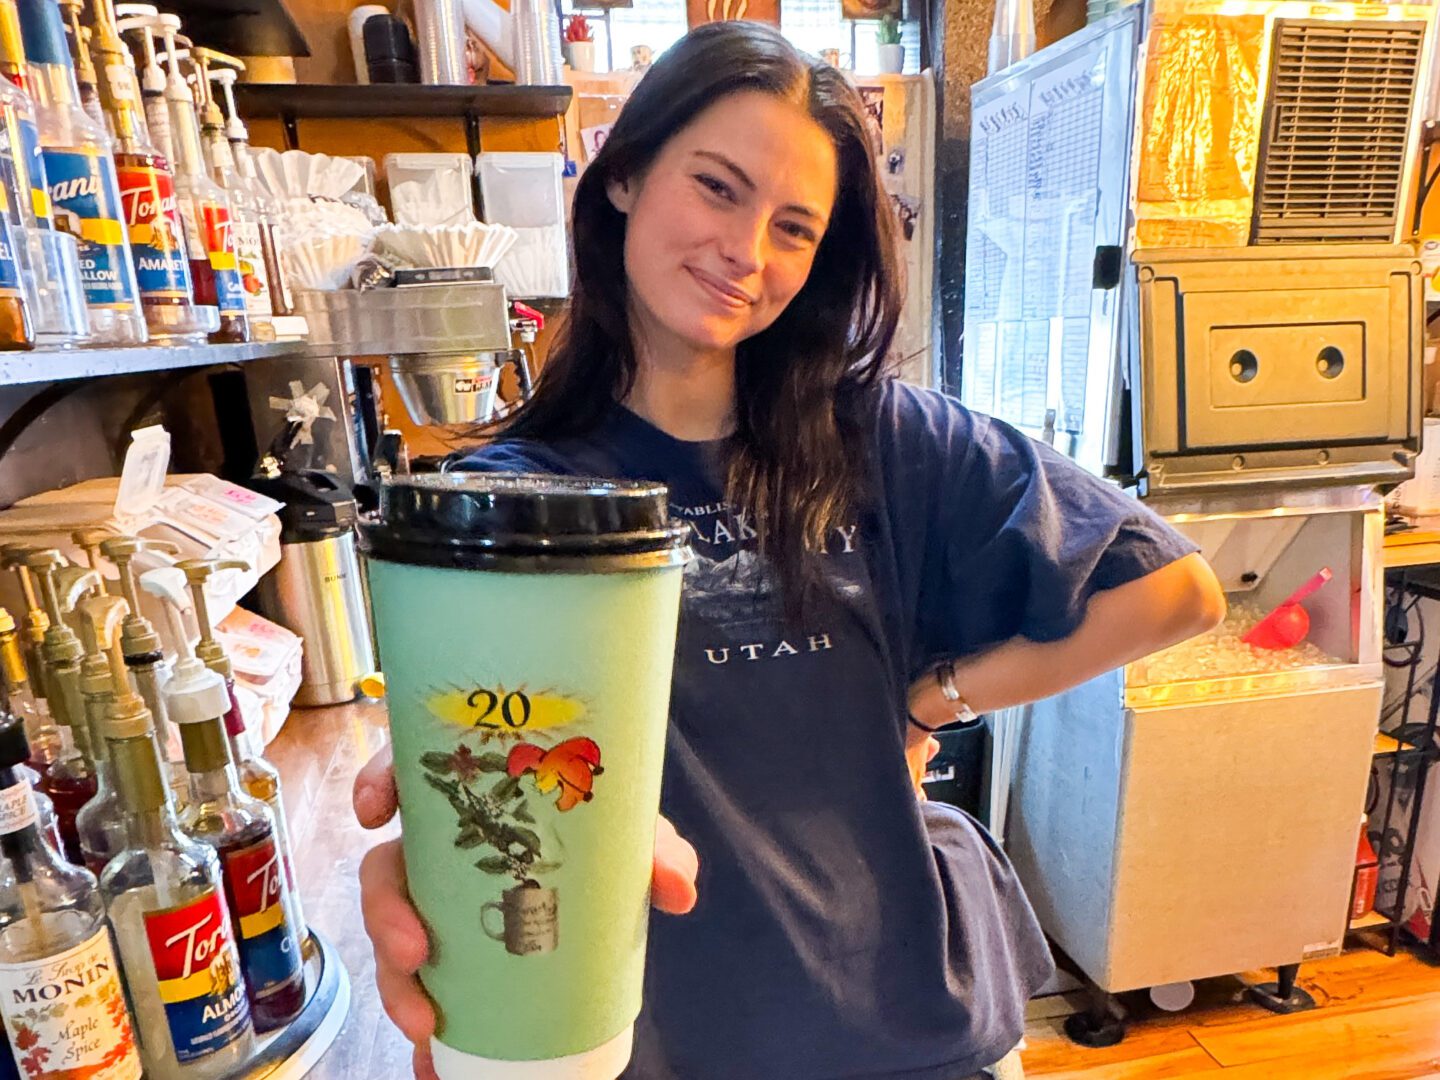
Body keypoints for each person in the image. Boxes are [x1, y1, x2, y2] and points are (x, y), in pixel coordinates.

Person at [353, 21, 1226, 1080]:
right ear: (623, 173)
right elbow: (477, 753)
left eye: (794, 228)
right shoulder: (512, 504)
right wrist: (448, 846)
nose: (747, 254)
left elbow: (1175, 590)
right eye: (717, 188)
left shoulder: (886, 439)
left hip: (918, 1025)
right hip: (676, 1041)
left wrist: (932, 697)